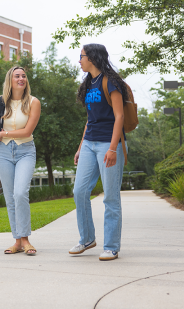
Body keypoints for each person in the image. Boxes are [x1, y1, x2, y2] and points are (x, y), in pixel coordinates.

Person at [69, 44, 128, 261]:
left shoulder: (111, 81)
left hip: (108, 143)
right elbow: (89, 119)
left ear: (92, 58)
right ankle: (87, 238)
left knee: (110, 197)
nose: (79, 60)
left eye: (82, 56)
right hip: (89, 143)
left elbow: (119, 116)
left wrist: (113, 148)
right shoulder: (88, 83)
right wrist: (80, 147)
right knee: (79, 191)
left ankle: (111, 246)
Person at [0, 66, 41, 255]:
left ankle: (26, 240)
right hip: (4, 151)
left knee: (20, 192)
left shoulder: (33, 102)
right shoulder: (1, 102)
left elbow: (27, 131)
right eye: (17, 76)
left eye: (23, 76)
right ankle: (17, 241)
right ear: (10, 80)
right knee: (10, 197)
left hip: (25, 150)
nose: (21, 78)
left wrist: (2, 133)